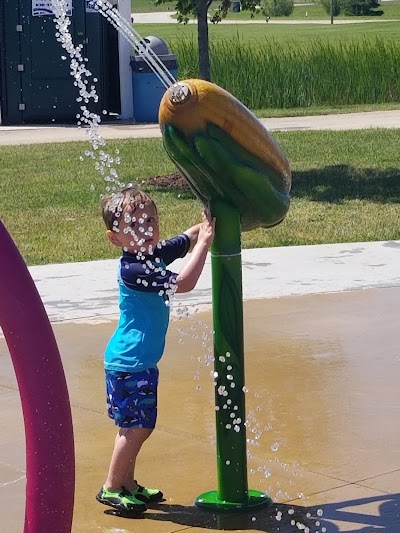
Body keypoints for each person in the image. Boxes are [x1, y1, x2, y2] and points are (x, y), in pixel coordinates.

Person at [96, 186, 215, 513]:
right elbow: (185, 283)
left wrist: (205, 223)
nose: (145, 228)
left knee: (134, 426)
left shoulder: (149, 254)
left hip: (136, 363)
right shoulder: (136, 270)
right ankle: (111, 486)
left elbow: (185, 238)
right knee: (138, 427)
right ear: (115, 238)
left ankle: (127, 484)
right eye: (134, 225)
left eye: (150, 219)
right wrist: (205, 243)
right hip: (129, 363)